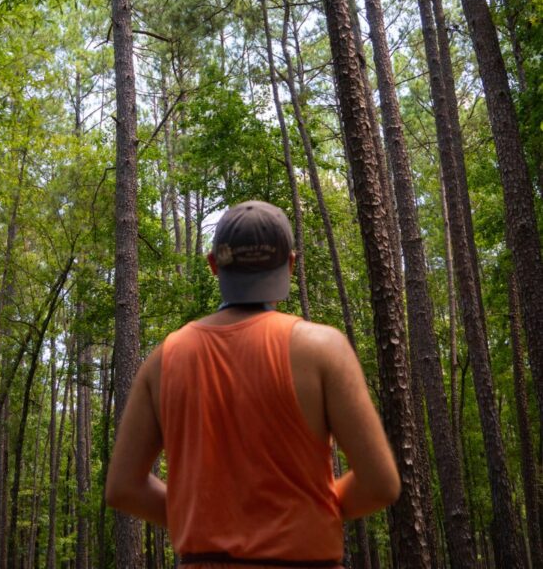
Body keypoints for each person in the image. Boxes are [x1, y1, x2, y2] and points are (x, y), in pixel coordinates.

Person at [106, 199, 401, 568]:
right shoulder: (323, 349)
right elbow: (380, 484)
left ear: (213, 264)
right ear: (291, 264)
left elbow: (123, 488)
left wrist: (208, 519)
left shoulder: (163, 359)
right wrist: (300, 511)